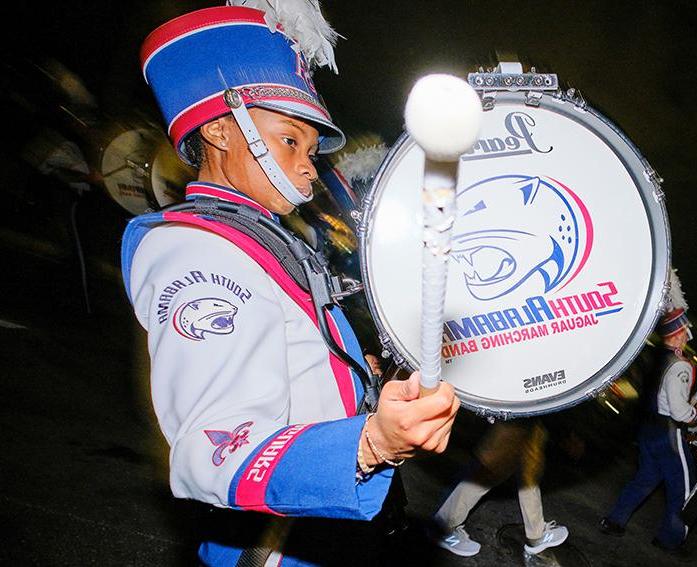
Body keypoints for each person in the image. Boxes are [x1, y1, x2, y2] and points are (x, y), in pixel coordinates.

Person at [122, 5, 459, 565]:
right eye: (289, 141)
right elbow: (214, 452)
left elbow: (287, 357)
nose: (308, 167)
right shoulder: (201, 253)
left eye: (309, 150)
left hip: (319, 527)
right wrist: (371, 442)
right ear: (220, 129)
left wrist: (358, 386)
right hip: (277, 548)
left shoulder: (258, 236)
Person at [599, 270, 697, 554]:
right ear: (678, 335)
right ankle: (670, 539)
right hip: (668, 433)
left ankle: (615, 521)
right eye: (684, 334)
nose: (687, 339)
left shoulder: (653, 357)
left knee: (645, 478)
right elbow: (678, 411)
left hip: (647, 430)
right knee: (685, 490)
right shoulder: (680, 365)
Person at [432, 419, 569, 557]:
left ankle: (536, 534)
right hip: (515, 411)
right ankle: (443, 528)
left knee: (529, 470)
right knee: (490, 470)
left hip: (533, 413)